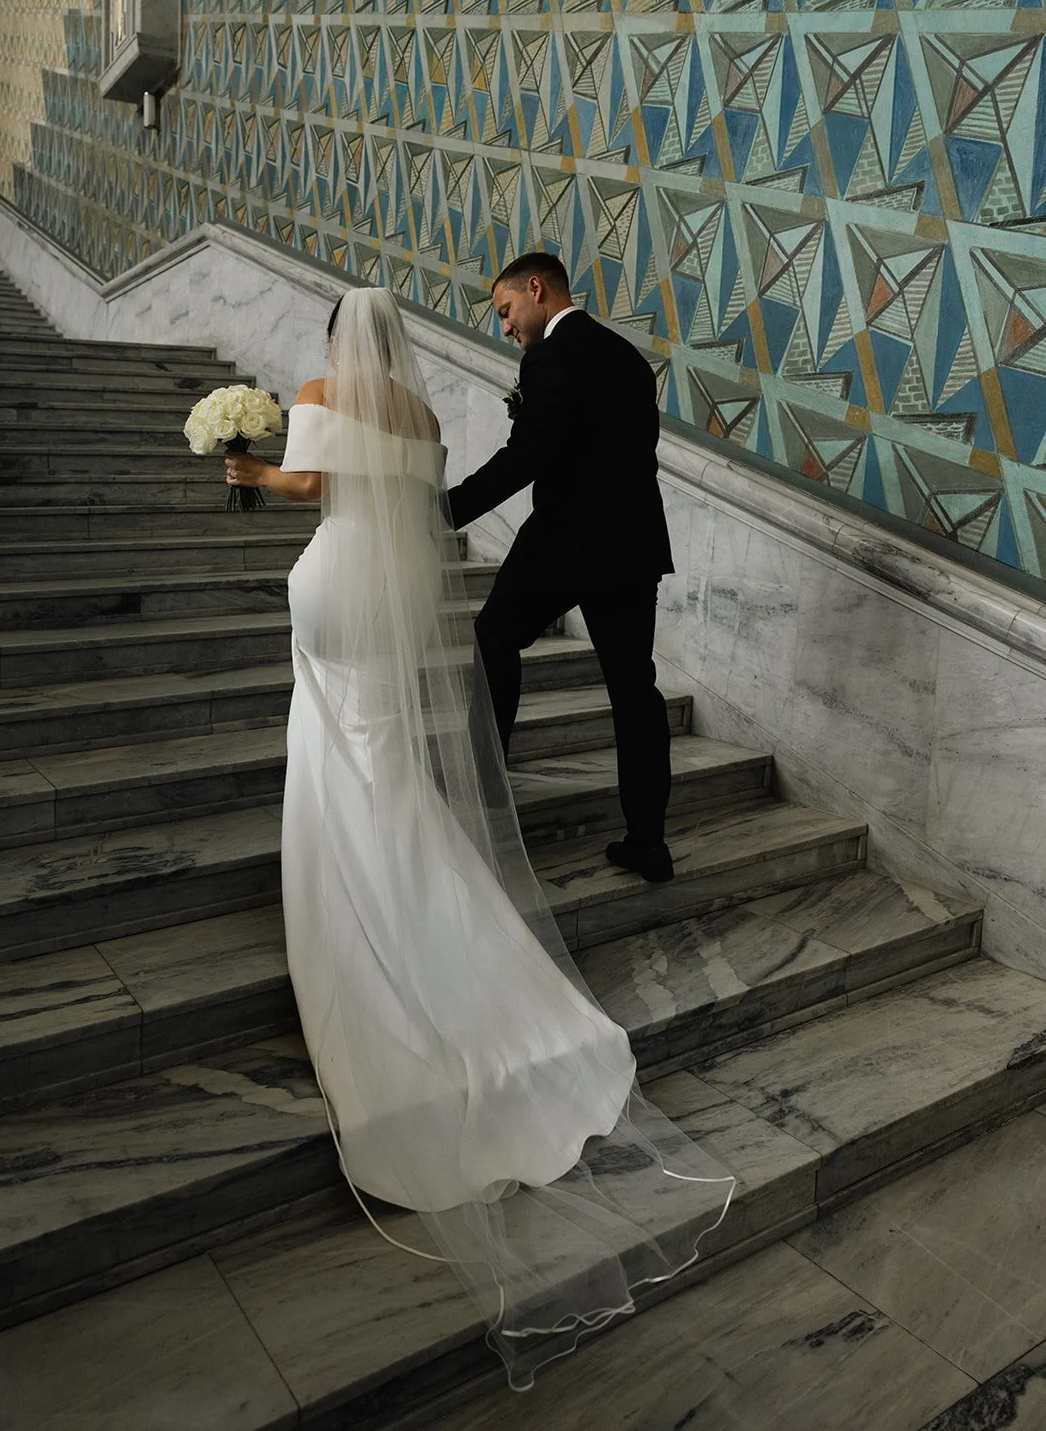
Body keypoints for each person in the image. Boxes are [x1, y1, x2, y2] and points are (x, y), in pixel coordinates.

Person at [225, 286, 733, 1390]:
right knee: (398, 757)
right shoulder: (420, 414)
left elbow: (308, 486)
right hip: (407, 585)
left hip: (329, 585)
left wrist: (246, 469)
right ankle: (530, 875)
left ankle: (358, 911)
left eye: (506, 301)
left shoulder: (319, 390)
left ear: (330, 342)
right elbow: (424, 508)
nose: (499, 315)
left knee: (336, 752)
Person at [448, 252, 677, 884]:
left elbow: (528, 454)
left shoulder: (549, 355)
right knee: (635, 691)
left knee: (494, 636)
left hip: (567, 541)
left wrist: (449, 509)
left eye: (506, 311)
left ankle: (485, 799)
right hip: (632, 545)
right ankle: (648, 842)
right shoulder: (629, 359)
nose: (507, 326)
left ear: (536, 288)